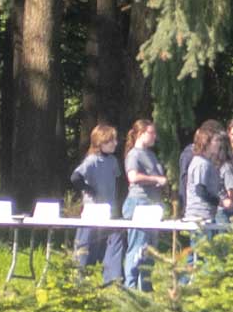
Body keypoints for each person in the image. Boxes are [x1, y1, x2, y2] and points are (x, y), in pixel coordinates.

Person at [68, 122, 126, 284]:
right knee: (85, 247)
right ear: (100, 142)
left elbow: (116, 180)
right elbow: (75, 177)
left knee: (112, 243)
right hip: (93, 211)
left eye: (115, 140)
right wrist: (88, 189)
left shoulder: (113, 161)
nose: (115, 144)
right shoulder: (92, 160)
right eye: (111, 141)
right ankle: (78, 280)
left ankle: (112, 280)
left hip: (109, 211)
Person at [121, 119, 167, 290]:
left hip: (152, 205)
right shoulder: (134, 154)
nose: (155, 136)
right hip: (138, 203)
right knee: (137, 247)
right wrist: (156, 179)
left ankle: (146, 286)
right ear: (140, 134)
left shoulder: (151, 154)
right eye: (151, 132)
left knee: (150, 249)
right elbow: (133, 177)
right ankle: (130, 286)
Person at [183, 128, 231, 226]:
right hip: (199, 217)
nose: (219, 144)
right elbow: (200, 190)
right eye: (216, 140)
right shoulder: (201, 163)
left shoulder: (207, 162)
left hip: (206, 216)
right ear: (206, 143)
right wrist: (220, 201)